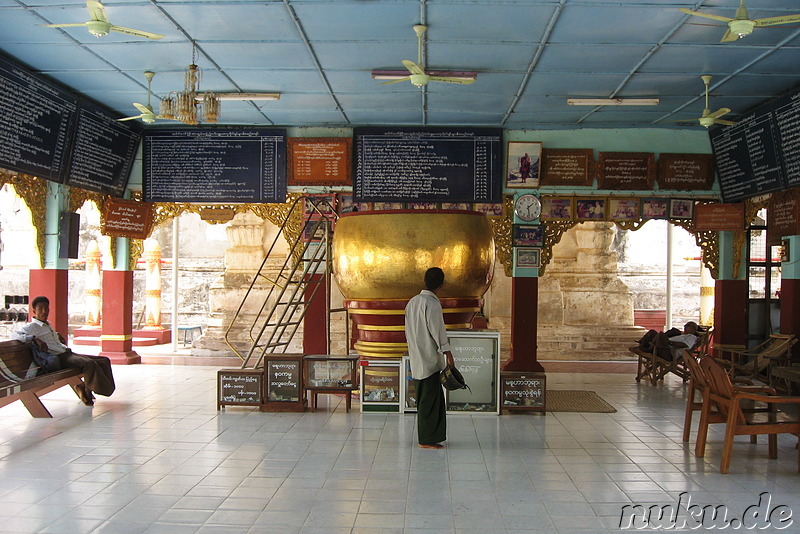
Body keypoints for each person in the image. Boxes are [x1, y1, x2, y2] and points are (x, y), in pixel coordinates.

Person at [13, 296, 115, 406]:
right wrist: (34, 338)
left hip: (67, 353)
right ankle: (89, 390)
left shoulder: (47, 325)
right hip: (59, 358)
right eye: (41, 308)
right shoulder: (32, 327)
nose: (44, 311)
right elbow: (14, 335)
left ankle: (88, 386)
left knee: (104, 360)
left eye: (46, 308)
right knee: (89, 364)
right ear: (34, 311)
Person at [404, 267, 454, 449]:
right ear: (442, 284)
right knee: (429, 401)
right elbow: (438, 332)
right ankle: (426, 439)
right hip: (429, 358)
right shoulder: (432, 305)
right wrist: (448, 353)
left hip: (417, 356)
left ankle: (432, 436)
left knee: (429, 398)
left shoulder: (412, 302)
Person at [630, 321, 699, 361]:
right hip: (663, 347)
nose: (685, 326)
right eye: (686, 325)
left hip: (669, 352)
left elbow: (684, 345)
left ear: (694, 329)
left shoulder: (692, 337)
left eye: (688, 325)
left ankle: (646, 349)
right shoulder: (681, 335)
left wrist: (669, 342)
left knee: (660, 335)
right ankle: (644, 346)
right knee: (652, 332)